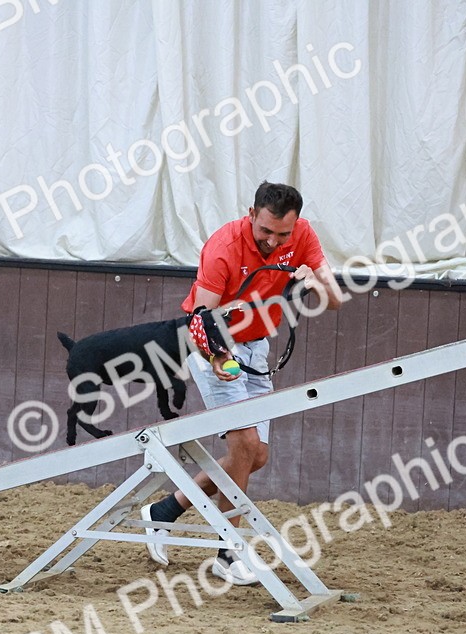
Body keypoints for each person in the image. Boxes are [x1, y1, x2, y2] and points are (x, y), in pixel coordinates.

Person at [141, 182, 343, 585]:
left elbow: (334, 298)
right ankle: (228, 552)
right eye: (266, 231)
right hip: (213, 344)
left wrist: (310, 280)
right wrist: (220, 361)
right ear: (251, 213)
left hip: (255, 345)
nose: (273, 241)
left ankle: (165, 511)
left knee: (256, 455)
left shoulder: (301, 237)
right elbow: (200, 318)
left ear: (296, 225)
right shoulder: (223, 248)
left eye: (282, 234)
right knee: (244, 445)